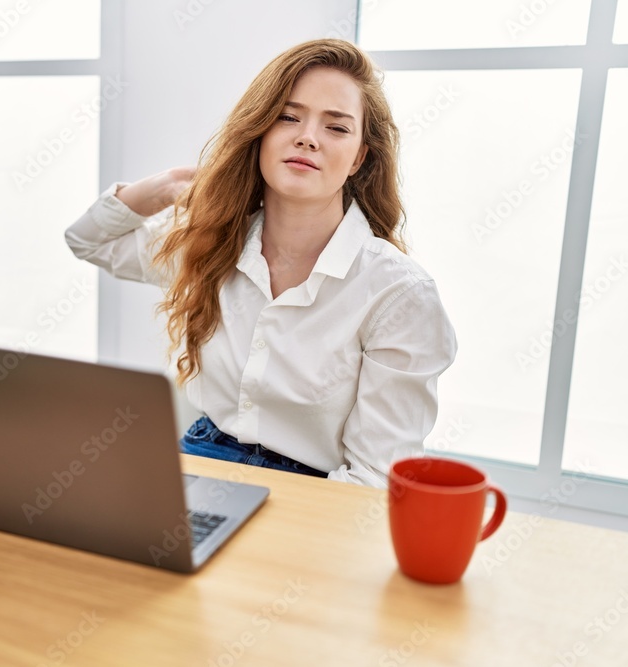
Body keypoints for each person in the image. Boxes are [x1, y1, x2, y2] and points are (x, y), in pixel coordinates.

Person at [64, 39, 457, 487]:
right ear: (260, 132)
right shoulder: (211, 243)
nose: (307, 136)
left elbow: (374, 478)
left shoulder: (398, 293)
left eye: (337, 128)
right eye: (288, 117)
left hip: (316, 492)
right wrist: (170, 184)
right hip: (196, 465)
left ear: (359, 158)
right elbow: (87, 239)